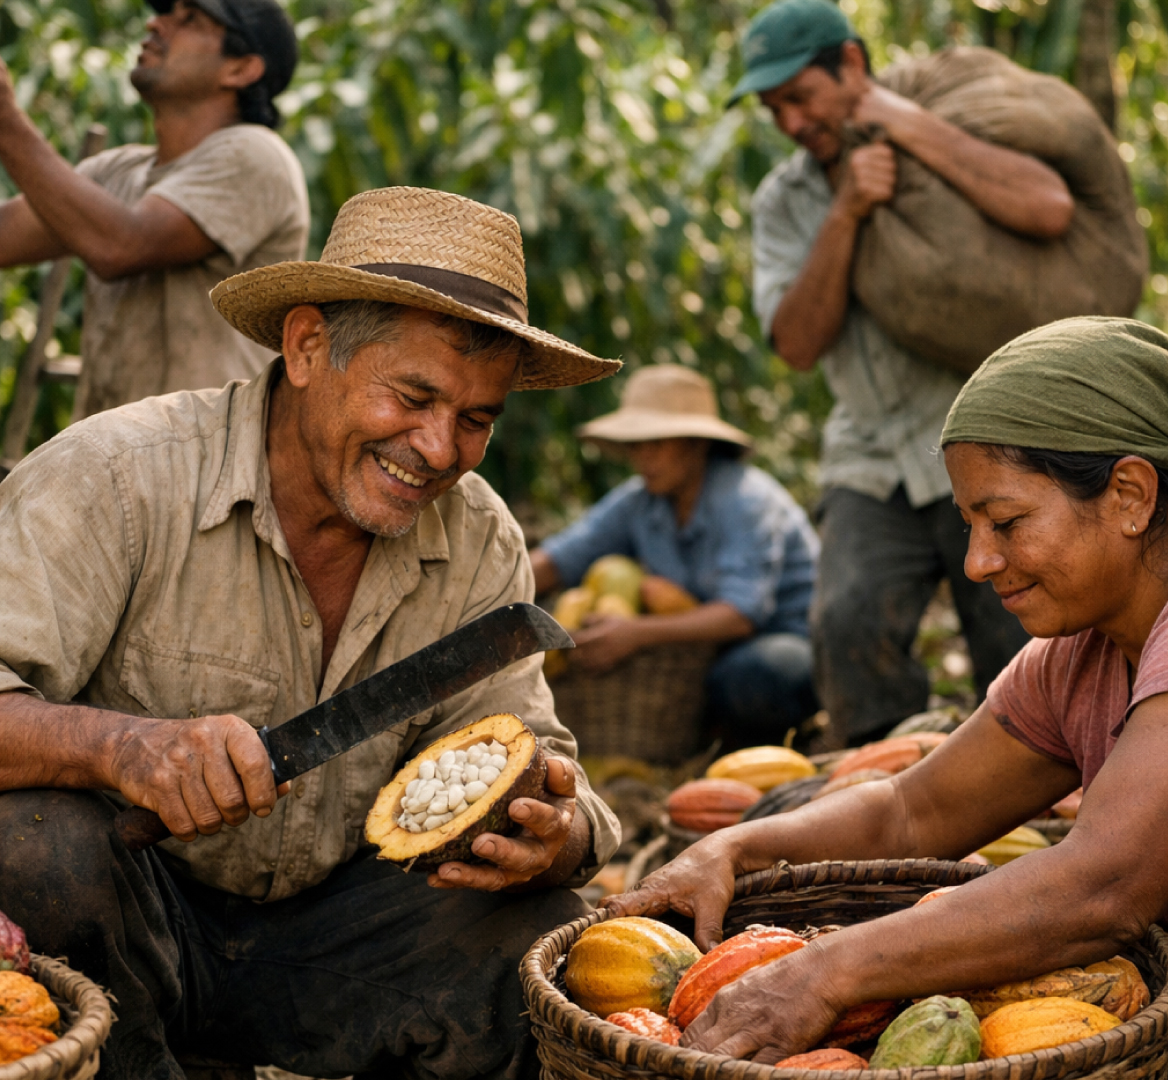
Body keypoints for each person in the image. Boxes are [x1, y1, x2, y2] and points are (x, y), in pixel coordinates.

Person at [607, 317, 1168, 1079]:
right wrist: (734, 846)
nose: (977, 562)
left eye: (1006, 522)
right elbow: (914, 811)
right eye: (969, 525)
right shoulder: (1083, 648)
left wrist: (824, 970)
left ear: (1130, 493)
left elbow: (1102, 888)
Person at [0, 187, 624, 1080]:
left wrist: (556, 833)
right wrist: (121, 749)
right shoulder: (118, 479)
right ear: (306, 346)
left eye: (477, 419)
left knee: (532, 938)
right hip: (128, 927)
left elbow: (542, 761)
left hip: (327, 937)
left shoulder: (479, 542)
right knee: (31, 843)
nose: (440, 449)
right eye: (413, 396)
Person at [735, 0, 1085, 742]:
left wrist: (907, 127)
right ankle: (882, 791)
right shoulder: (784, 202)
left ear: (853, 67)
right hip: (870, 452)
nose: (791, 124)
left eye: (801, 98)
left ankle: (1052, 789)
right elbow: (796, 345)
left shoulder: (937, 132)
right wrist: (848, 212)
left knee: (1021, 636)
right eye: (774, 110)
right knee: (847, 622)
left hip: (989, 437)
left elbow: (1049, 205)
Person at [0, 0, 309, 419]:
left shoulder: (256, 155)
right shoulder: (117, 171)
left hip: (204, 472)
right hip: (114, 464)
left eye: (190, 19)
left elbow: (120, 246)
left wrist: (7, 123)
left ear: (240, 69)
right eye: (166, 12)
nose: (156, 24)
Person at [530, 364, 819, 749]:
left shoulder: (745, 500)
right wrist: (488, 593)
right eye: (635, 445)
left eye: (657, 443)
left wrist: (635, 635)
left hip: (789, 641)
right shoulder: (640, 501)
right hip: (705, 652)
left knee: (750, 677)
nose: (643, 458)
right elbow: (560, 558)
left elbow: (740, 615)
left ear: (696, 444)